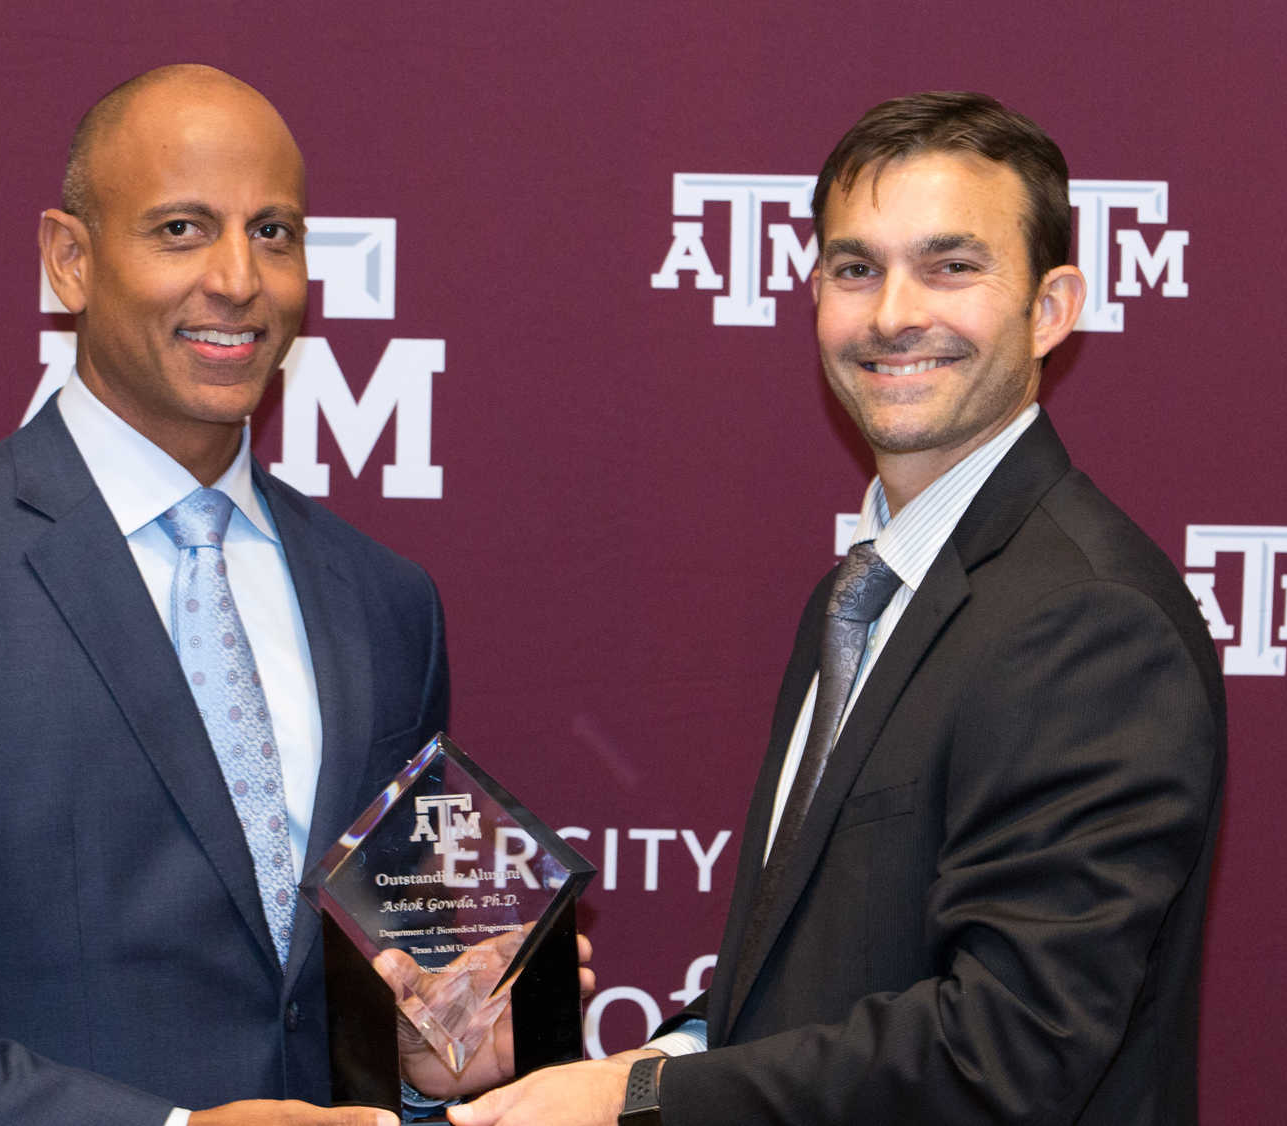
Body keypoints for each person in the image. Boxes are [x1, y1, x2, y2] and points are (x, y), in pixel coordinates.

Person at [452, 91, 1226, 1126]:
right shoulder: (860, 591)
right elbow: (811, 981)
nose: (893, 312)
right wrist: (662, 1052)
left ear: (1050, 307)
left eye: (950, 266)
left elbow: (1008, 1050)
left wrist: (636, 1095)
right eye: (855, 269)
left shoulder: (1088, 621)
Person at [0, 65, 452, 1126]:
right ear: (70, 259)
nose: (238, 279)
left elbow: (359, 1003)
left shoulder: (385, 604)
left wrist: (436, 1056)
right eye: (182, 229)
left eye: (275, 232)